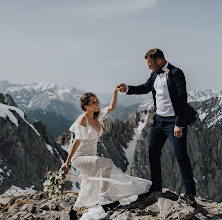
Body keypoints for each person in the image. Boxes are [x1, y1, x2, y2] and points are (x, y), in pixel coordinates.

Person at [117, 48, 197, 206]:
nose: (148, 67)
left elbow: (182, 99)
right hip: (159, 121)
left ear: (159, 61)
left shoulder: (176, 73)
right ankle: (156, 188)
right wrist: (128, 89)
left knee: (181, 156)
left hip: (174, 122)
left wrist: (179, 123)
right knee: (152, 153)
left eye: (150, 64)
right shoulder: (155, 73)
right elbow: (146, 87)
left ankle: (190, 194)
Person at [60, 86, 151, 219]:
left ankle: (73, 212)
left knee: (89, 185)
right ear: (86, 106)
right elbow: (76, 142)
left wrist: (115, 91)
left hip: (90, 156)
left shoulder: (98, 116)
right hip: (79, 158)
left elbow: (111, 107)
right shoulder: (82, 120)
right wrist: (67, 162)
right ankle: (105, 199)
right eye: (93, 102)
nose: (97, 104)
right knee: (107, 163)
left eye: (97, 101)